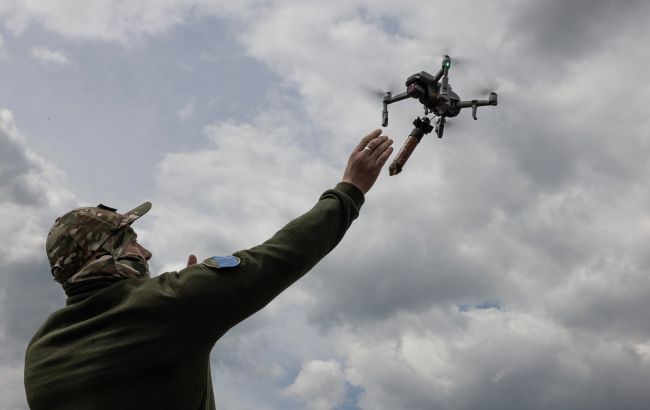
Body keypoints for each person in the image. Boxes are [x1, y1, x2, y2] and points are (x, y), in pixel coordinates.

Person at [24, 129, 393, 409]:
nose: (146, 252)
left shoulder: (40, 353)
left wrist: (188, 320)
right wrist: (349, 190)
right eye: (131, 241)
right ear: (105, 255)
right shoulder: (168, 304)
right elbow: (281, 256)